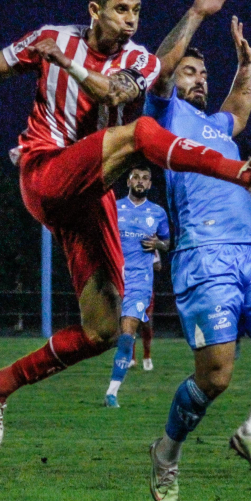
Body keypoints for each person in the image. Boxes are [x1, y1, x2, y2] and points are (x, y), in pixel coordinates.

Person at [0, 0, 251, 450]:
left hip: (89, 196)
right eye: (121, 9)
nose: (132, 20)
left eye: (137, 10)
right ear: (94, 10)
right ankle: (245, 174)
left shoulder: (136, 59)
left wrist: (197, 14)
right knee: (139, 137)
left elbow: (115, 91)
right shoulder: (53, 38)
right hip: (46, 172)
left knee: (103, 330)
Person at [144, 16, 251, 501]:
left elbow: (237, 113)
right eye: (190, 72)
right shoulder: (162, 115)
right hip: (202, 256)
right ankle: (167, 452)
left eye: (202, 74)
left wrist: (244, 65)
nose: (198, 79)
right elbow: (158, 70)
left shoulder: (217, 127)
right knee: (215, 380)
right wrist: (193, 22)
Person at [104, 165, 168, 407]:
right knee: (102, 334)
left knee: (128, 333)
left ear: (150, 184)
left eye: (145, 178)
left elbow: (168, 241)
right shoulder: (114, 207)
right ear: (129, 181)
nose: (140, 182)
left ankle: (112, 392)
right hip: (113, 278)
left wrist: (159, 245)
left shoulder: (158, 212)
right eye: (136, 178)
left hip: (140, 281)